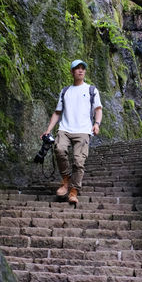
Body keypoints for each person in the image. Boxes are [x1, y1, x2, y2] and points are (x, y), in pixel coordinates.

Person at [42, 59, 102, 206]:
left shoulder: (91, 90)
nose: (80, 70)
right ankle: (66, 179)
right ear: (72, 72)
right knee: (59, 149)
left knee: (78, 161)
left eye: (83, 68)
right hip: (65, 128)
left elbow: (98, 109)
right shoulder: (65, 91)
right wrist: (49, 129)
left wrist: (97, 124)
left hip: (83, 130)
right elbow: (57, 112)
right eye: (77, 68)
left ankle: (74, 191)